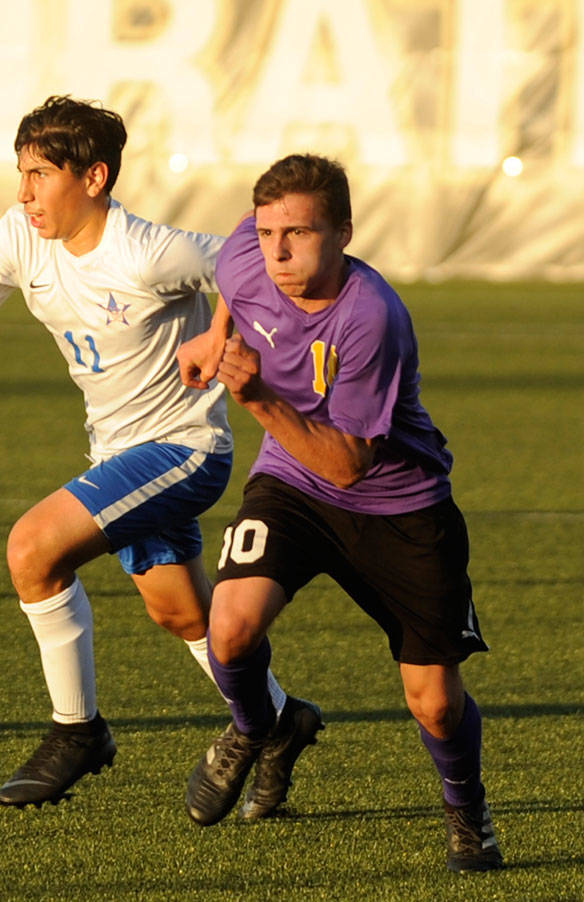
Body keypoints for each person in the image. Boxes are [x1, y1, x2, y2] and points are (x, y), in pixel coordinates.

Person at [0, 96, 315, 808]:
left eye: (41, 174)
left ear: (94, 177)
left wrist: (220, 334)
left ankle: (76, 732)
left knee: (31, 549)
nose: (24, 193)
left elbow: (248, 259)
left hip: (183, 450)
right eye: (20, 173)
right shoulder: (20, 237)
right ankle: (279, 721)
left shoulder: (146, 251)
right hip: (118, 457)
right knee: (183, 617)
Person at [177, 154, 501, 872]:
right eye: (268, 232)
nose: (278, 251)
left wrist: (257, 396)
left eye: (299, 233)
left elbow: (349, 464)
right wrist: (218, 334)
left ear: (345, 232)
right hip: (293, 487)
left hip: (398, 507)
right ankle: (260, 728)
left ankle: (466, 805)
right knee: (228, 629)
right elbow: (234, 277)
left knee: (436, 705)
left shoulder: (371, 318)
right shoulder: (247, 256)